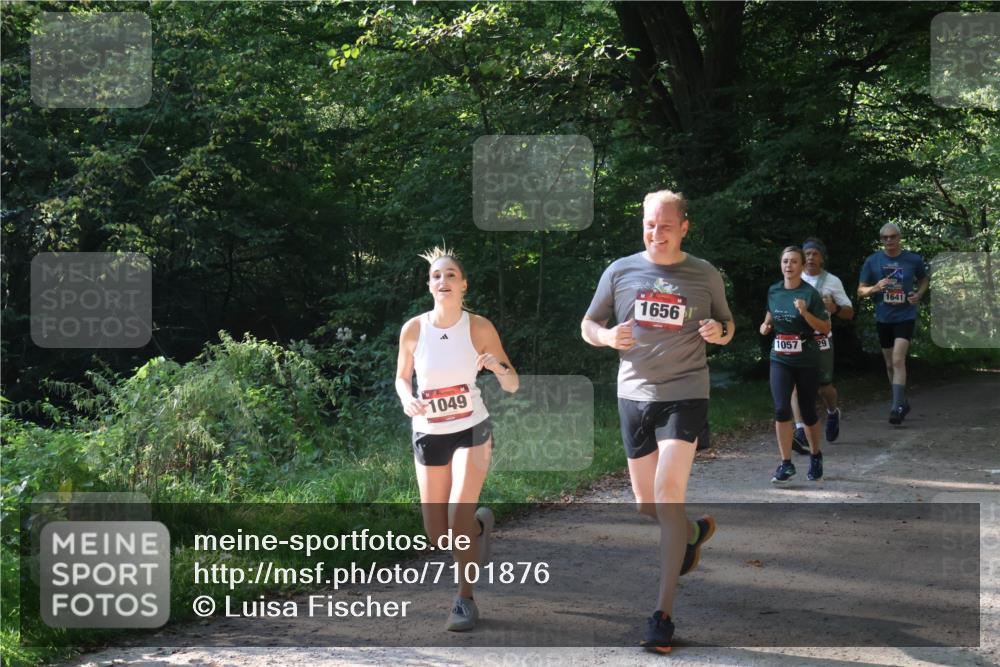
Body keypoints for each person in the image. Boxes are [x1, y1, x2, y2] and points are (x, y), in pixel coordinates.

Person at [581, 190, 734, 653]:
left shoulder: (704, 274)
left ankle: (661, 615)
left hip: (685, 394)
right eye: (649, 224)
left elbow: (727, 325)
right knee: (647, 506)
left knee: (668, 494)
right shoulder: (620, 270)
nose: (656, 233)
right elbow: (588, 324)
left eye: (665, 225)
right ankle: (690, 533)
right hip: (634, 396)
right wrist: (607, 336)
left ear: (684, 226)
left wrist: (717, 332)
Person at [394, 245, 519, 631]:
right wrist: (406, 400)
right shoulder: (414, 329)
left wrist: (496, 366)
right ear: (429, 285)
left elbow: (512, 383)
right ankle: (481, 529)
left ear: (463, 284)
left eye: (451, 275)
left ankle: (464, 599)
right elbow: (401, 377)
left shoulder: (479, 327)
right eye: (436, 276)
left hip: (472, 429)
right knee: (437, 533)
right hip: (429, 433)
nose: (443, 281)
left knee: (456, 515)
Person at [759, 246, 830, 484]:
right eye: (785, 261)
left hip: (806, 359)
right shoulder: (774, 290)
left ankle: (815, 455)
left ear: (801, 266)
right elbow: (771, 312)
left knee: (807, 411)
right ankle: (786, 463)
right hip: (780, 357)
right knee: (781, 409)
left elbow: (825, 328)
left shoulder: (809, 294)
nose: (788, 266)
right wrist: (766, 325)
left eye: (793, 262)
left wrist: (805, 312)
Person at [858, 223, 929, 425]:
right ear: (881, 240)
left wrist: (919, 294)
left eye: (892, 237)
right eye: (885, 238)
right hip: (883, 317)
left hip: (905, 315)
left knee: (898, 360)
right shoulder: (873, 261)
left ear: (899, 237)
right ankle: (901, 401)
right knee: (889, 364)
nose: (889, 241)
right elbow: (860, 291)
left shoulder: (913, 259)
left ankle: (896, 408)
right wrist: (875, 288)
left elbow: (924, 280)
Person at [789, 238, 854, 453]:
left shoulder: (832, 281)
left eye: (815, 254)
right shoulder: (793, 278)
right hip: (798, 340)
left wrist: (833, 308)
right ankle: (800, 431)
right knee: (796, 386)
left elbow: (849, 312)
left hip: (822, 339)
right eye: (807, 254)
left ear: (822, 259)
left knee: (823, 387)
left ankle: (833, 411)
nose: (810, 258)